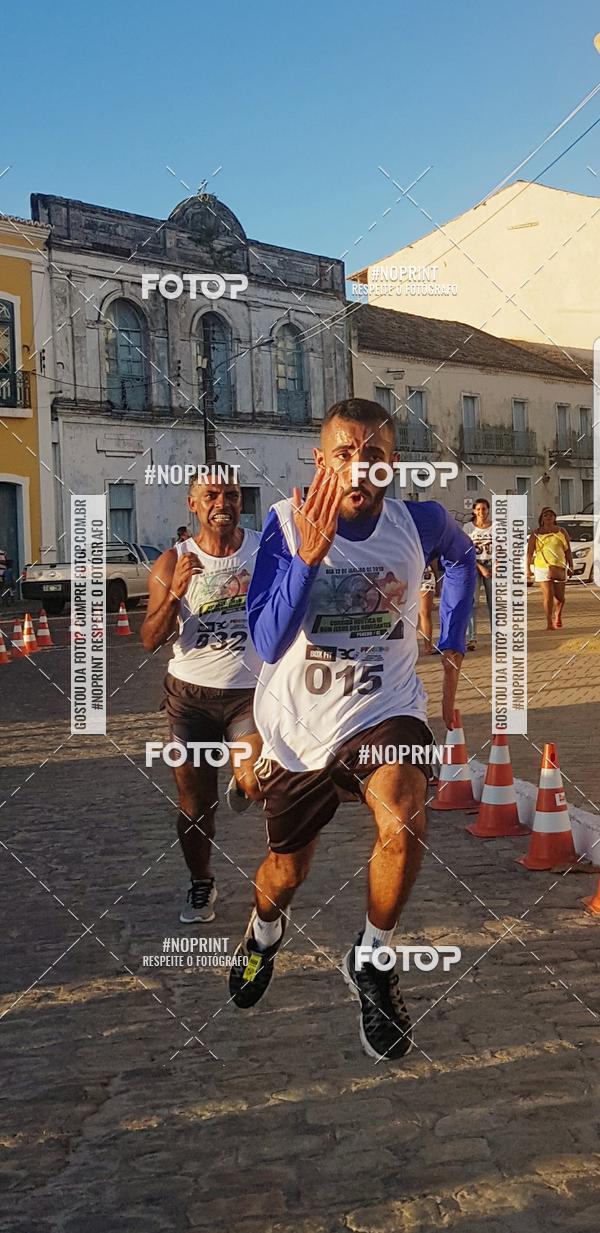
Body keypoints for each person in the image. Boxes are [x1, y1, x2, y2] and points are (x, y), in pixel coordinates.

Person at [228, 398, 475, 1062]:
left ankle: (371, 957)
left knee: (404, 818)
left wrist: (451, 645)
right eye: (345, 454)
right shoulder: (285, 525)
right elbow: (269, 640)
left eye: (374, 455)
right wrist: (309, 558)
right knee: (284, 873)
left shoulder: (418, 521)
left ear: (393, 465)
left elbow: (462, 556)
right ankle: (264, 932)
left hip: (383, 709)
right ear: (321, 459)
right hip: (300, 729)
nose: (360, 468)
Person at [142, 467, 264, 925]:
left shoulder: (260, 550)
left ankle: (244, 772)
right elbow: (150, 639)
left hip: (248, 692)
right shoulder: (172, 561)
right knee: (195, 807)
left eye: (231, 494)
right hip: (189, 698)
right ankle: (201, 883)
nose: (223, 503)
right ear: (192, 504)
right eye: (211, 495)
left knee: (254, 780)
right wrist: (175, 594)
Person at [527, 507, 573, 630]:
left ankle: (558, 615)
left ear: (555, 518)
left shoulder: (561, 531)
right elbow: (530, 552)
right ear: (541, 518)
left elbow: (567, 550)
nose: (548, 517)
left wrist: (571, 565)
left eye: (551, 515)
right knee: (548, 595)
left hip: (559, 566)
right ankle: (548, 622)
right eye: (546, 515)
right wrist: (527, 569)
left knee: (560, 597)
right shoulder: (536, 533)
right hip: (542, 567)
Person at [465, 498, 493, 651]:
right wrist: (480, 567)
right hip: (474, 567)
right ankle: (472, 637)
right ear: (474, 511)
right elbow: (466, 551)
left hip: (492, 565)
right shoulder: (468, 528)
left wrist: (497, 566)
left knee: (494, 603)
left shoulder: (496, 527)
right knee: (472, 603)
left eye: (484, 509)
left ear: (488, 510)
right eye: (478, 509)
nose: (481, 512)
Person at [418, 561, 439, 654]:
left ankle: (428, 646)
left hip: (425, 575)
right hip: (407, 573)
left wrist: (438, 583)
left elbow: (434, 559)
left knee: (425, 612)